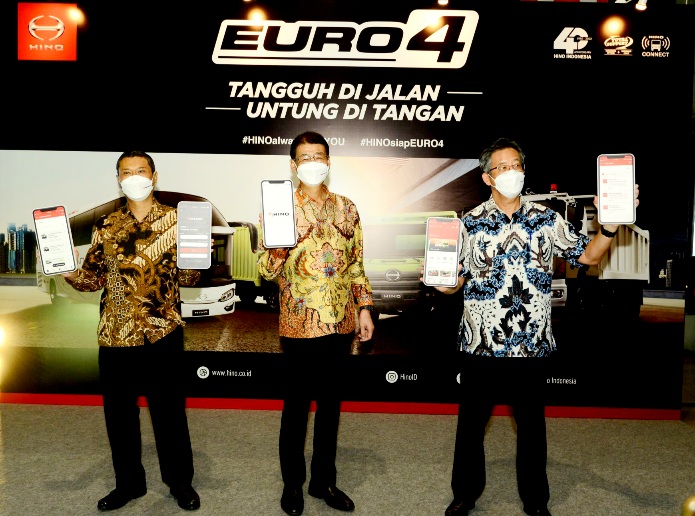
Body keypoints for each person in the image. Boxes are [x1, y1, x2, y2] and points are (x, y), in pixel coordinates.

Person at [436, 138, 639, 516]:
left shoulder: (546, 219)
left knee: (531, 428)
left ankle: (535, 500)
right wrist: (441, 281)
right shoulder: (468, 222)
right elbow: (454, 282)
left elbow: (587, 256)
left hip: (531, 343)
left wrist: (609, 229)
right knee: (470, 426)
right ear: (487, 177)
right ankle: (465, 493)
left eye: (517, 165)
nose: (511, 172)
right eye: (502, 167)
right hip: (481, 343)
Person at [62, 151, 202, 512]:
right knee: (119, 418)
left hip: (162, 332)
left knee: (170, 415)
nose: (135, 177)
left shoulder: (179, 220)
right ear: (118, 179)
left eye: (141, 170)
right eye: (127, 172)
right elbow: (92, 280)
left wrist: (196, 257)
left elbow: (189, 279)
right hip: (116, 334)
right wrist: (69, 272)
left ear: (154, 176)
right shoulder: (106, 225)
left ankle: (180, 483)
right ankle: (128, 485)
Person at [258, 131, 375, 516]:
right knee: (296, 409)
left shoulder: (347, 207)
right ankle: (292, 484)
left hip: (340, 324)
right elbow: (265, 270)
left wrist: (364, 307)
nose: (313, 163)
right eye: (305, 158)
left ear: (328, 161)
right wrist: (279, 244)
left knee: (329, 408)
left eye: (319, 156)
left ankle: (323, 481)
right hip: (299, 324)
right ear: (294, 165)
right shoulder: (279, 207)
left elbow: (356, 264)